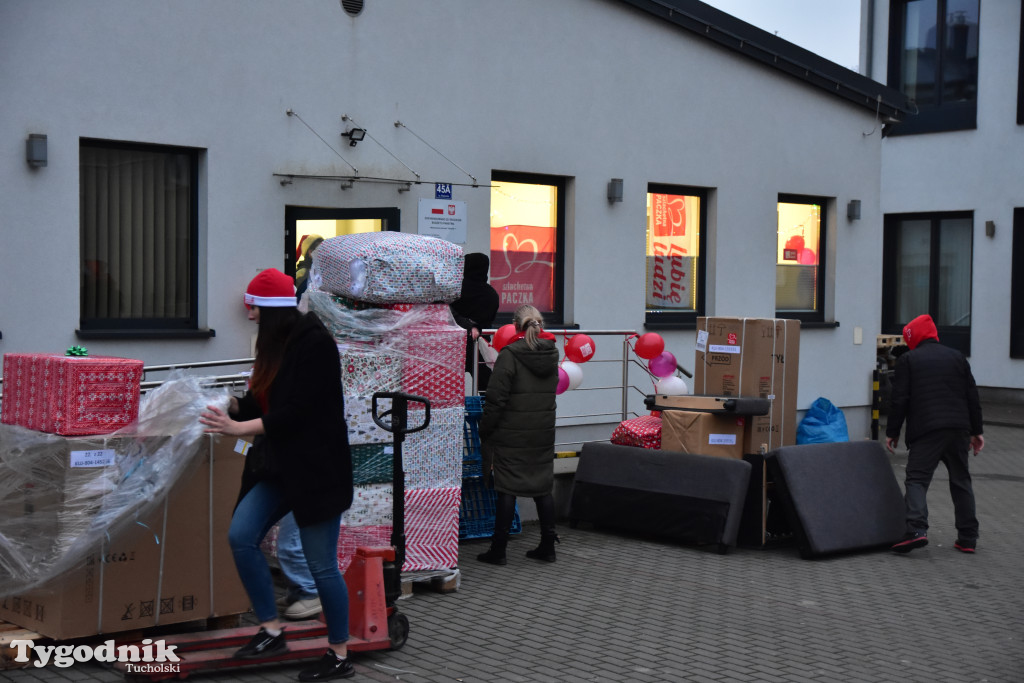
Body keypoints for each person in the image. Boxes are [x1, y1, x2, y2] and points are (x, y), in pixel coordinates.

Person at [200, 267, 355, 681]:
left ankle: (339, 654)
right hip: (279, 466)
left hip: (317, 470)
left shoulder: (316, 344)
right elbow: (260, 401)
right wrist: (229, 405)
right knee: (240, 535)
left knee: (321, 565)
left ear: (270, 309)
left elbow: (296, 414)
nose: (248, 314)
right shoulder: (273, 343)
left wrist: (238, 429)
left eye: (253, 308)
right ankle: (271, 629)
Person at [885, 313, 984, 554]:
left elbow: (900, 400)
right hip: (959, 429)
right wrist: (977, 431)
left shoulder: (909, 360)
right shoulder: (957, 357)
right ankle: (968, 538)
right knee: (961, 481)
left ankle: (916, 530)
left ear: (913, 338)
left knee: (917, 479)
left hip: (927, 430)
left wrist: (892, 432)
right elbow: (972, 396)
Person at [476, 304, 560, 565]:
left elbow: (495, 399)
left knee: (506, 487)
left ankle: (498, 550)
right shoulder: (552, 353)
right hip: (542, 432)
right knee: (542, 487)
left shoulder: (509, 355)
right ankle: (548, 544)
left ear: (515, 326)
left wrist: (485, 429)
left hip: (511, 434)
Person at [450, 252, 500, 392]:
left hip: (454, 344)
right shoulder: (491, 294)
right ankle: (485, 411)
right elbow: (490, 318)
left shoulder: (456, 290)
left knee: (449, 383)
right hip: (480, 345)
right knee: (485, 386)